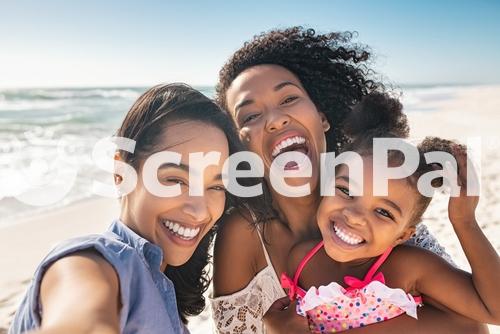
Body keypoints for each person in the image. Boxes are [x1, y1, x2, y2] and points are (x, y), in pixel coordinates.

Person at [211, 27, 485, 333]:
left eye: (288, 98)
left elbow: (473, 325)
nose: (275, 119)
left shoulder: (383, 204)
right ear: (239, 147)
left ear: (322, 116)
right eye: (249, 116)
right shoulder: (243, 235)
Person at [9, 83, 254, 334]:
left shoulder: (162, 285)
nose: (200, 211)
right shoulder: (92, 263)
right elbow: (83, 315)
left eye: (216, 186)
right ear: (121, 172)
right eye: (175, 180)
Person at [280, 93, 500, 333]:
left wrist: (464, 221)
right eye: (345, 190)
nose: (354, 216)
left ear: (403, 235)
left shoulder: (409, 267)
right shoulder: (300, 259)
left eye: (383, 212)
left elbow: (494, 311)